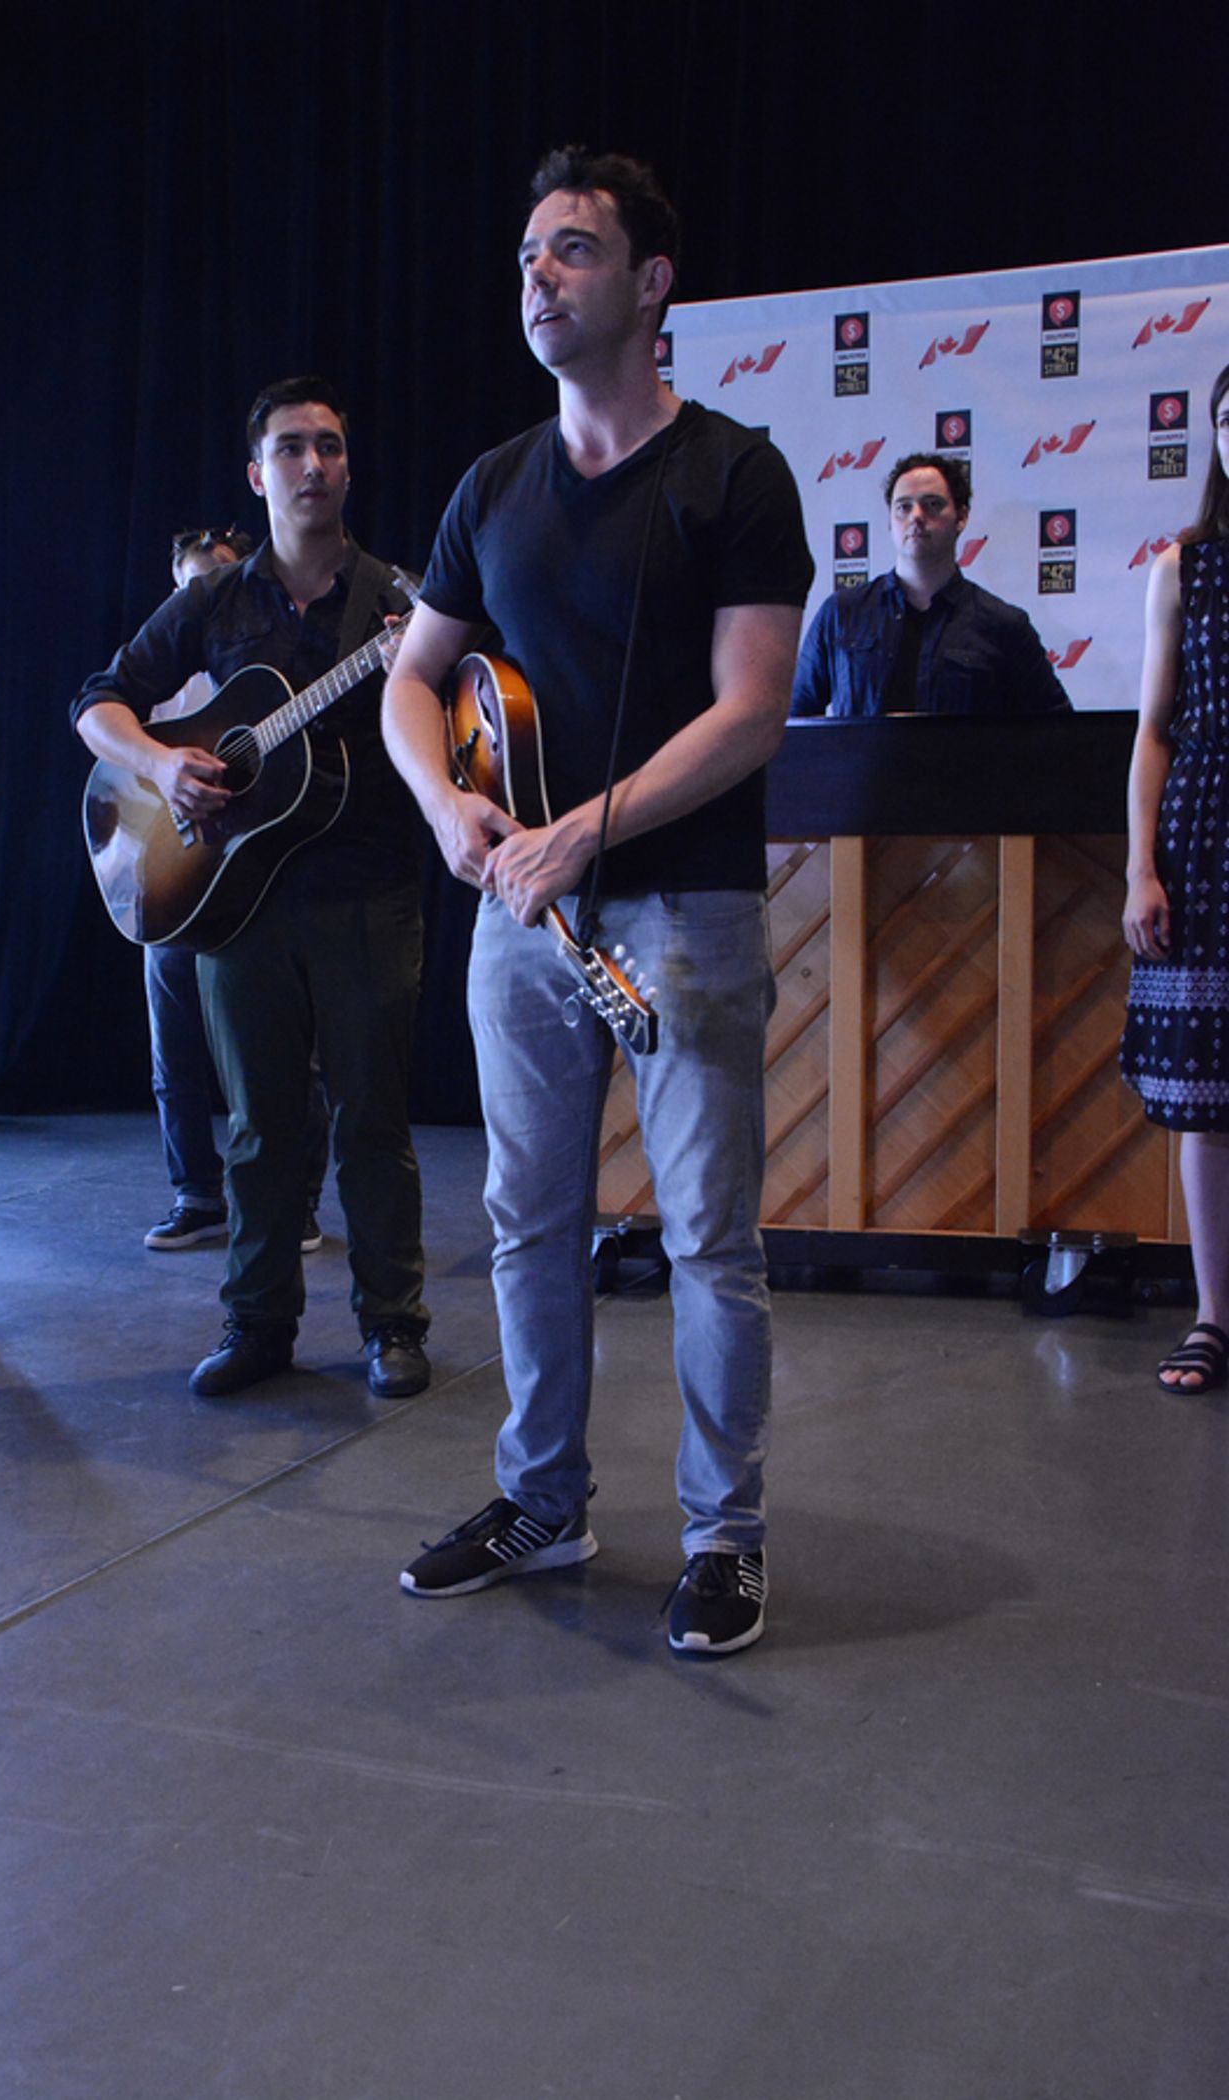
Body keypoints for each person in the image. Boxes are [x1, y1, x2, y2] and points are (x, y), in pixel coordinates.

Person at [383, 147, 813, 1656]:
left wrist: (586, 834)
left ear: (652, 283)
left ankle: (725, 1534)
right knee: (526, 1224)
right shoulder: (492, 485)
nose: (539, 276)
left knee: (706, 1236)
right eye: (528, 255)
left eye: (572, 250)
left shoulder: (736, 473)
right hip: (520, 916)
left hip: (682, 911)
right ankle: (542, 1499)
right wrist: (456, 814)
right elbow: (410, 682)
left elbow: (753, 712)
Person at [74, 378, 429, 1399]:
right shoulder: (214, 601)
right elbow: (96, 702)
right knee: (260, 1124)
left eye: (327, 445)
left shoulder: (397, 602)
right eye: (290, 448)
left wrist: (427, 663)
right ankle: (257, 1323)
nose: (311, 464)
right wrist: (157, 766)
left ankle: (392, 1324)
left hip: (367, 886)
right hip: (235, 897)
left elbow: (467, 709)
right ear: (257, 472)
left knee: (370, 1118)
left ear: (348, 467)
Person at [1121, 362, 1229, 1395]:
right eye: (1227, 419)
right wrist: (1136, 865)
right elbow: (1153, 732)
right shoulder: (1182, 568)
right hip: (1204, 839)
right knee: (1206, 1098)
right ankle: (1211, 1318)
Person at [139, 525, 251, 1251]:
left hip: (249, 884)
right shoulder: (158, 677)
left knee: (267, 1052)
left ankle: (290, 1199)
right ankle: (196, 1194)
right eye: (190, 586)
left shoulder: (263, 666)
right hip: (178, 884)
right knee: (172, 1052)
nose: (200, 598)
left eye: (215, 582)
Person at [791, 452, 1071, 717]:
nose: (916, 516)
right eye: (904, 507)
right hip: (861, 771)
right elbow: (793, 720)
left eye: (933, 504)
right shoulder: (842, 614)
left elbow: (1056, 733)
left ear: (961, 517)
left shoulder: (1004, 626)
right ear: (890, 520)